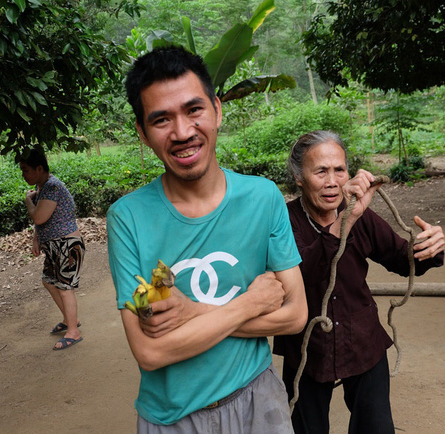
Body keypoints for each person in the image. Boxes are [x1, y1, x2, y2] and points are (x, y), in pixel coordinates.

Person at [106, 46, 308, 433]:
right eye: (161, 119)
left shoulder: (262, 198)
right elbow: (150, 351)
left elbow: (296, 315)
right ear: (142, 132)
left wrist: (191, 312)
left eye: (193, 109)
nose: (182, 132)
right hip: (172, 420)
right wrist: (251, 303)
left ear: (217, 110)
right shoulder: (128, 219)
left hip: (258, 400)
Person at [273, 130, 445, 434]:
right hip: (306, 350)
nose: (332, 181)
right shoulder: (283, 222)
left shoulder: (361, 217)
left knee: (376, 428)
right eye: (321, 171)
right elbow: (302, 276)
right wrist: (346, 220)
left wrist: (428, 247)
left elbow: (400, 259)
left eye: (339, 170)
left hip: (363, 341)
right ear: (299, 177)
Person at [19, 148, 85, 351]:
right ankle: (69, 320)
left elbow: (38, 217)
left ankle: (73, 332)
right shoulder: (44, 187)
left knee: (65, 288)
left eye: (26, 170)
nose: (23, 175)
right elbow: (42, 222)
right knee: (49, 281)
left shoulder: (53, 187)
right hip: (56, 246)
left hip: (67, 245)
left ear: (39, 168)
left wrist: (28, 201)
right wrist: (36, 239)